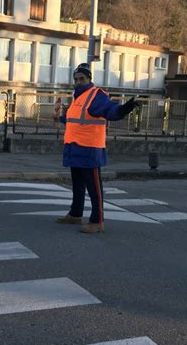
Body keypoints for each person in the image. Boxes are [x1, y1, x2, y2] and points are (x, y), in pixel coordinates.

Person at [56, 63, 138, 233]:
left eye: (82, 78)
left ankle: (97, 221)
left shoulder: (95, 95)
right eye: (76, 79)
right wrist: (62, 118)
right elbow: (74, 119)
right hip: (74, 148)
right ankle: (75, 214)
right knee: (77, 185)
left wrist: (122, 110)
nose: (79, 82)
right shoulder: (78, 97)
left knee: (94, 188)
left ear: (89, 79)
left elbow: (110, 110)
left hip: (89, 150)